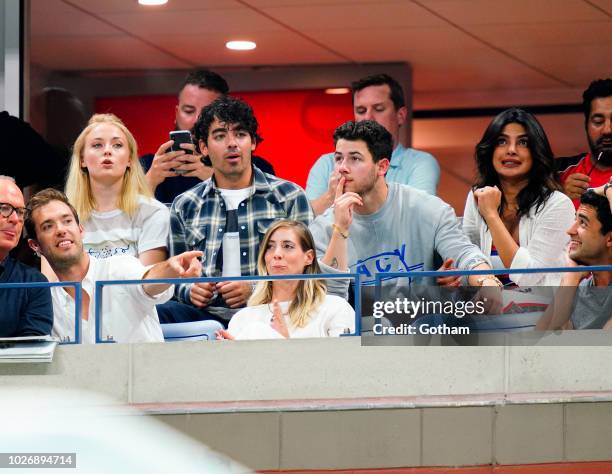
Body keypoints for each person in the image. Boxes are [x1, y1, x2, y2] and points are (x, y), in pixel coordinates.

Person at [168, 96, 313, 324]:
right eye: (220, 136)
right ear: (203, 147)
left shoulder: (289, 196)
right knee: (160, 313)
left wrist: (255, 288)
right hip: (206, 314)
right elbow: (174, 276)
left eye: (240, 134)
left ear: (253, 142)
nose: (232, 143)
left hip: (269, 310)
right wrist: (190, 290)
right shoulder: (185, 204)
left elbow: (309, 270)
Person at [309, 120, 499, 290]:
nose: (342, 167)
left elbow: (466, 255)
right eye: (338, 158)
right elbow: (324, 298)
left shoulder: (427, 209)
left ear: (382, 166)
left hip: (423, 327)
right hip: (358, 328)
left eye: (355, 158)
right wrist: (340, 230)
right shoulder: (324, 228)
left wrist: (487, 283)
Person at [25, 188, 203, 344]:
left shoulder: (118, 267)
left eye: (67, 221)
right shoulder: (44, 301)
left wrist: (171, 268)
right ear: (35, 245)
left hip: (144, 380)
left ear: (81, 230)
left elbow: (147, 282)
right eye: (48, 226)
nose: (61, 230)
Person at [458, 108, 575, 287]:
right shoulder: (478, 195)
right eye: (502, 141)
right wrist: (457, 276)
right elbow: (469, 259)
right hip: (489, 308)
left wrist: (491, 215)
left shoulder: (558, 204)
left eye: (523, 142)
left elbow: (527, 276)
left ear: (536, 152)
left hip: (542, 311)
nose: (511, 150)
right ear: (490, 150)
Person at [306, 74, 440, 215]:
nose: (368, 117)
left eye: (379, 109)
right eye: (361, 111)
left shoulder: (420, 163)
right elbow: (304, 225)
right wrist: (330, 196)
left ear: (400, 115)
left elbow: (419, 216)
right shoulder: (326, 163)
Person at [141, 69, 275, 204]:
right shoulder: (148, 165)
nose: (196, 120)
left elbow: (265, 215)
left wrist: (219, 179)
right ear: (176, 114)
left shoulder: (255, 167)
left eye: (206, 113)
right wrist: (149, 180)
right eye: (188, 111)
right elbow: (125, 218)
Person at [216, 220, 354, 340]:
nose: (276, 254)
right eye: (270, 247)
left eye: (288, 246)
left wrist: (285, 345)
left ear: (309, 257)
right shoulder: (243, 318)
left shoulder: (335, 308)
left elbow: (344, 366)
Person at [65, 114, 169, 266]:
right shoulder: (62, 217)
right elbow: (54, 286)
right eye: (97, 145)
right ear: (82, 160)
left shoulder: (153, 212)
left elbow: (147, 285)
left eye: (117, 145)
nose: (107, 151)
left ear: (129, 160)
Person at [536, 190, 611, 330]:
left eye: (582, 223)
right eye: (574, 220)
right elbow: (541, 340)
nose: (570, 230)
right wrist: (570, 277)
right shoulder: (577, 287)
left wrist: (607, 189)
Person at [0, 177, 53, 338]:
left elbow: (31, 351)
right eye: (4, 208)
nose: (15, 219)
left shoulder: (33, 283)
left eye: (21, 212)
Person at [557, 78, 612, 208]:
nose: (607, 130)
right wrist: (559, 198)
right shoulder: (558, 172)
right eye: (598, 122)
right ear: (586, 125)